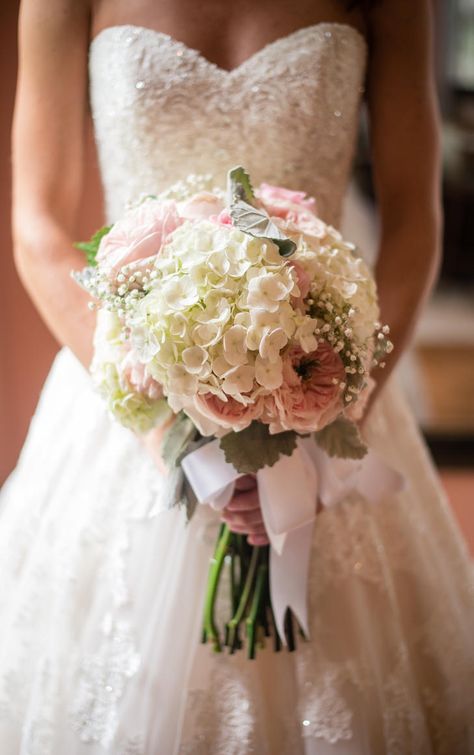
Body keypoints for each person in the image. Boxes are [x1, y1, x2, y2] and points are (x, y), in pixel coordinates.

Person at [1, 0, 473, 752]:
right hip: (122, 396)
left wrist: (324, 420)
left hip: (329, 387)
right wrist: (162, 428)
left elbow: (415, 225)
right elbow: (37, 227)